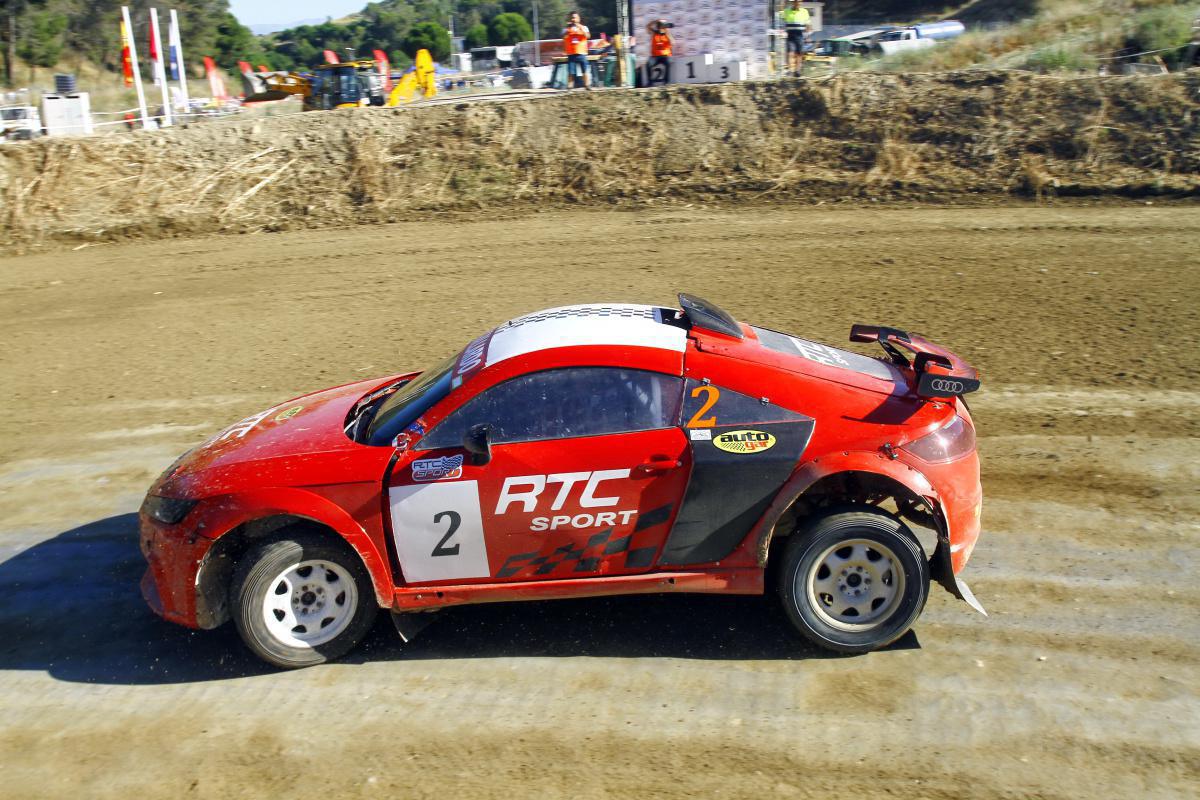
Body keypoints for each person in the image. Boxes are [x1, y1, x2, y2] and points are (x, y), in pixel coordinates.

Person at [563, 11, 591, 90]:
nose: (573, 19)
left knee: (584, 70)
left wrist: (580, 27)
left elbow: (588, 36)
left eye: (575, 17)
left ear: (578, 19)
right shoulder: (567, 29)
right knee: (571, 71)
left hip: (581, 53)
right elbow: (563, 36)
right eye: (572, 17)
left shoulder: (584, 27)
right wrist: (568, 29)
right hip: (571, 53)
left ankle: (587, 85)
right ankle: (570, 87)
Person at [782, 0, 811, 76]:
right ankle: (790, 70)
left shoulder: (804, 12)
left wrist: (808, 36)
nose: (798, 3)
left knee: (799, 53)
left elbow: (808, 25)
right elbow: (782, 23)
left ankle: (797, 71)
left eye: (799, 1)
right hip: (790, 34)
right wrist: (782, 32)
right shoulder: (786, 11)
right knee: (790, 52)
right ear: (793, 3)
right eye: (796, 2)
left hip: (800, 35)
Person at [646, 19, 674, 83]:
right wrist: (655, 21)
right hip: (655, 56)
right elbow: (648, 26)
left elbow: (673, 42)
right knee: (648, 64)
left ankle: (666, 82)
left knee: (668, 62)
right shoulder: (654, 33)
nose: (662, 27)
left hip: (665, 56)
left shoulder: (667, 34)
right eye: (661, 25)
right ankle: (650, 82)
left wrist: (667, 31)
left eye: (663, 25)